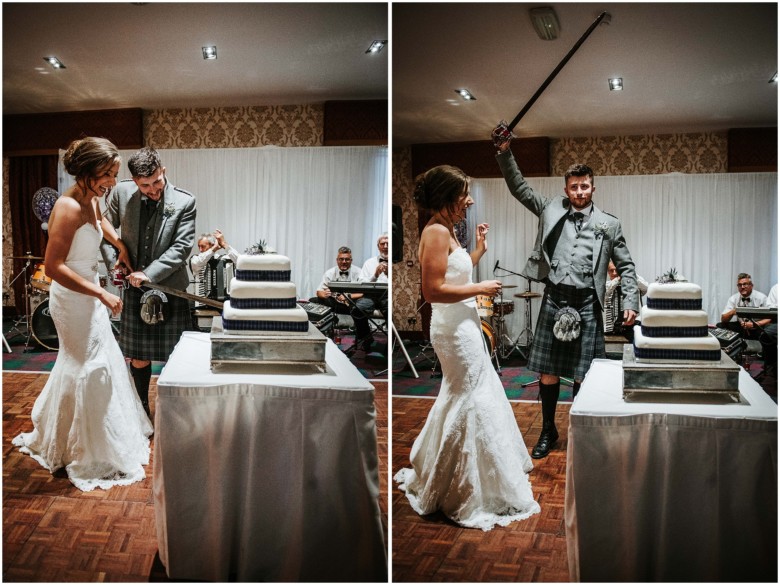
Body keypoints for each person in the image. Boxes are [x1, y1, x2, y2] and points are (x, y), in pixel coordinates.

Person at [394, 165, 540, 531]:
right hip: (452, 329)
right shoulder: (436, 232)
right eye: (465, 193)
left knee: (470, 390)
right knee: (469, 393)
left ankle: (478, 472)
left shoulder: (448, 231)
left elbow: (452, 273)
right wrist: (480, 288)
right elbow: (432, 291)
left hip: (464, 323)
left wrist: (477, 251)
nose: (470, 199)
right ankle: (464, 484)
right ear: (447, 195)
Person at [13, 137, 153, 491]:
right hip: (73, 300)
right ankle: (84, 447)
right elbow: (54, 266)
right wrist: (101, 292)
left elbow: (101, 221)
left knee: (97, 361)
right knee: (90, 365)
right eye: (106, 174)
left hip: (90, 292)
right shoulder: (67, 207)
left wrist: (118, 243)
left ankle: (88, 436)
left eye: (113, 174)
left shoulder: (90, 200)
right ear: (87, 172)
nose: (111, 182)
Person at [493, 129, 639, 458]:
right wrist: (504, 152)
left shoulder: (608, 224)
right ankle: (548, 430)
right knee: (548, 371)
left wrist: (631, 300)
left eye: (584, 185)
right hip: (555, 298)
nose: (579, 191)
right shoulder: (550, 209)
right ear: (566, 188)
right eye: (573, 186)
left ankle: (579, 429)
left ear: (593, 187)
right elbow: (520, 188)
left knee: (583, 375)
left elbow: (627, 266)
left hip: (587, 303)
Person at [101, 147, 196, 418]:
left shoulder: (185, 201)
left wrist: (149, 273)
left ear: (162, 171)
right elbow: (104, 231)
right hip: (134, 289)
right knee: (139, 355)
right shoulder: (121, 193)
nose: (153, 190)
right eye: (145, 186)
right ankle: (141, 409)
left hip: (171, 288)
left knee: (175, 356)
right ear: (134, 181)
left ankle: (175, 413)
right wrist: (114, 264)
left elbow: (181, 248)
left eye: (157, 182)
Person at [312, 246, 371, 341]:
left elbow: (364, 293)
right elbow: (319, 292)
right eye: (341, 259)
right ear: (337, 260)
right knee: (313, 301)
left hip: (352, 304)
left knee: (360, 308)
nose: (344, 262)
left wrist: (348, 296)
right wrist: (325, 294)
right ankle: (321, 333)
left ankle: (365, 339)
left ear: (351, 260)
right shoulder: (330, 272)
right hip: (335, 303)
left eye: (347, 259)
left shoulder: (359, 272)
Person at [355, 233, 389, 351]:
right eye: (382, 244)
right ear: (378, 246)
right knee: (357, 310)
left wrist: (389, 274)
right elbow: (362, 282)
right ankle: (366, 338)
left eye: (388, 244)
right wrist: (375, 275)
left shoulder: (396, 263)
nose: (385, 246)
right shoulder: (369, 263)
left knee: (392, 311)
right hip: (370, 295)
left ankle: (390, 344)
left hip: (388, 297)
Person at [189, 229, 239, 302]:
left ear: (212, 245)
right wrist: (214, 248)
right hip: (202, 302)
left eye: (203, 246)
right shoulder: (196, 259)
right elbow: (199, 262)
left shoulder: (224, 259)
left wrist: (224, 244)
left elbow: (241, 262)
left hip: (224, 303)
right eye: (199, 246)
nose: (200, 249)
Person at [604, 260, 648, 340]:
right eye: (611, 270)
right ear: (608, 272)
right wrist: (617, 280)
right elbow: (604, 294)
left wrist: (630, 274)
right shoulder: (607, 285)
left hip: (634, 325)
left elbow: (646, 288)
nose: (614, 273)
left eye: (617, 270)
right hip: (612, 327)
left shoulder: (634, 282)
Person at [719, 273, 770, 339]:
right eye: (740, 285)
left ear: (751, 285)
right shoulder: (733, 298)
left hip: (757, 327)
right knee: (720, 325)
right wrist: (733, 311)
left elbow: (770, 317)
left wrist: (755, 324)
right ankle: (733, 346)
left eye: (745, 284)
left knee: (767, 333)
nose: (742, 287)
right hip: (742, 327)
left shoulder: (762, 298)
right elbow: (723, 319)